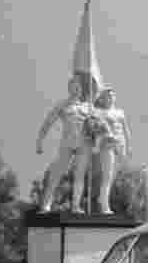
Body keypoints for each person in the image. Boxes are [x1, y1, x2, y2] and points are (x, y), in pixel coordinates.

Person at [36, 72, 99, 213]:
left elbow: (98, 128)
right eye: (73, 86)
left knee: (79, 174)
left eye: (79, 87)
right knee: (57, 172)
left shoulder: (88, 107)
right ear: (69, 88)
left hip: (84, 143)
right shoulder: (62, 105)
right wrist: (40, 140)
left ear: (82, 90)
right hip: (67, 142)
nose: (76, 89)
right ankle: (46, 204)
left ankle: (76, 206)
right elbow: (48, 122)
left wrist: (97, 139)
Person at [92, 88, 132, 214]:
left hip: (120, 144)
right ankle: (104, 204)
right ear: (103, 99)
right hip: (107, 144)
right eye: (107, 96)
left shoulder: (120, 112)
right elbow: (97, 130)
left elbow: (126, 129)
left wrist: (129, 145)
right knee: (107, 175)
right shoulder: (98, 112)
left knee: (115, 174)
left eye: (112, 96)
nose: (110, 98)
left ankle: (102, 197)